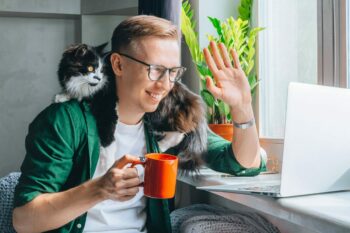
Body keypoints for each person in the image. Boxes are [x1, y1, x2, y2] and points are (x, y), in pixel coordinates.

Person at [12, 15, 265, 233]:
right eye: (155, 69)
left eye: (173, 71)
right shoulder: (66, 120)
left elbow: (244, 163)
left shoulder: (170, 119)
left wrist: (242, 107)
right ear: (118, 64)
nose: (166, 84)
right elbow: (24, 220)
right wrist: (99, 189)